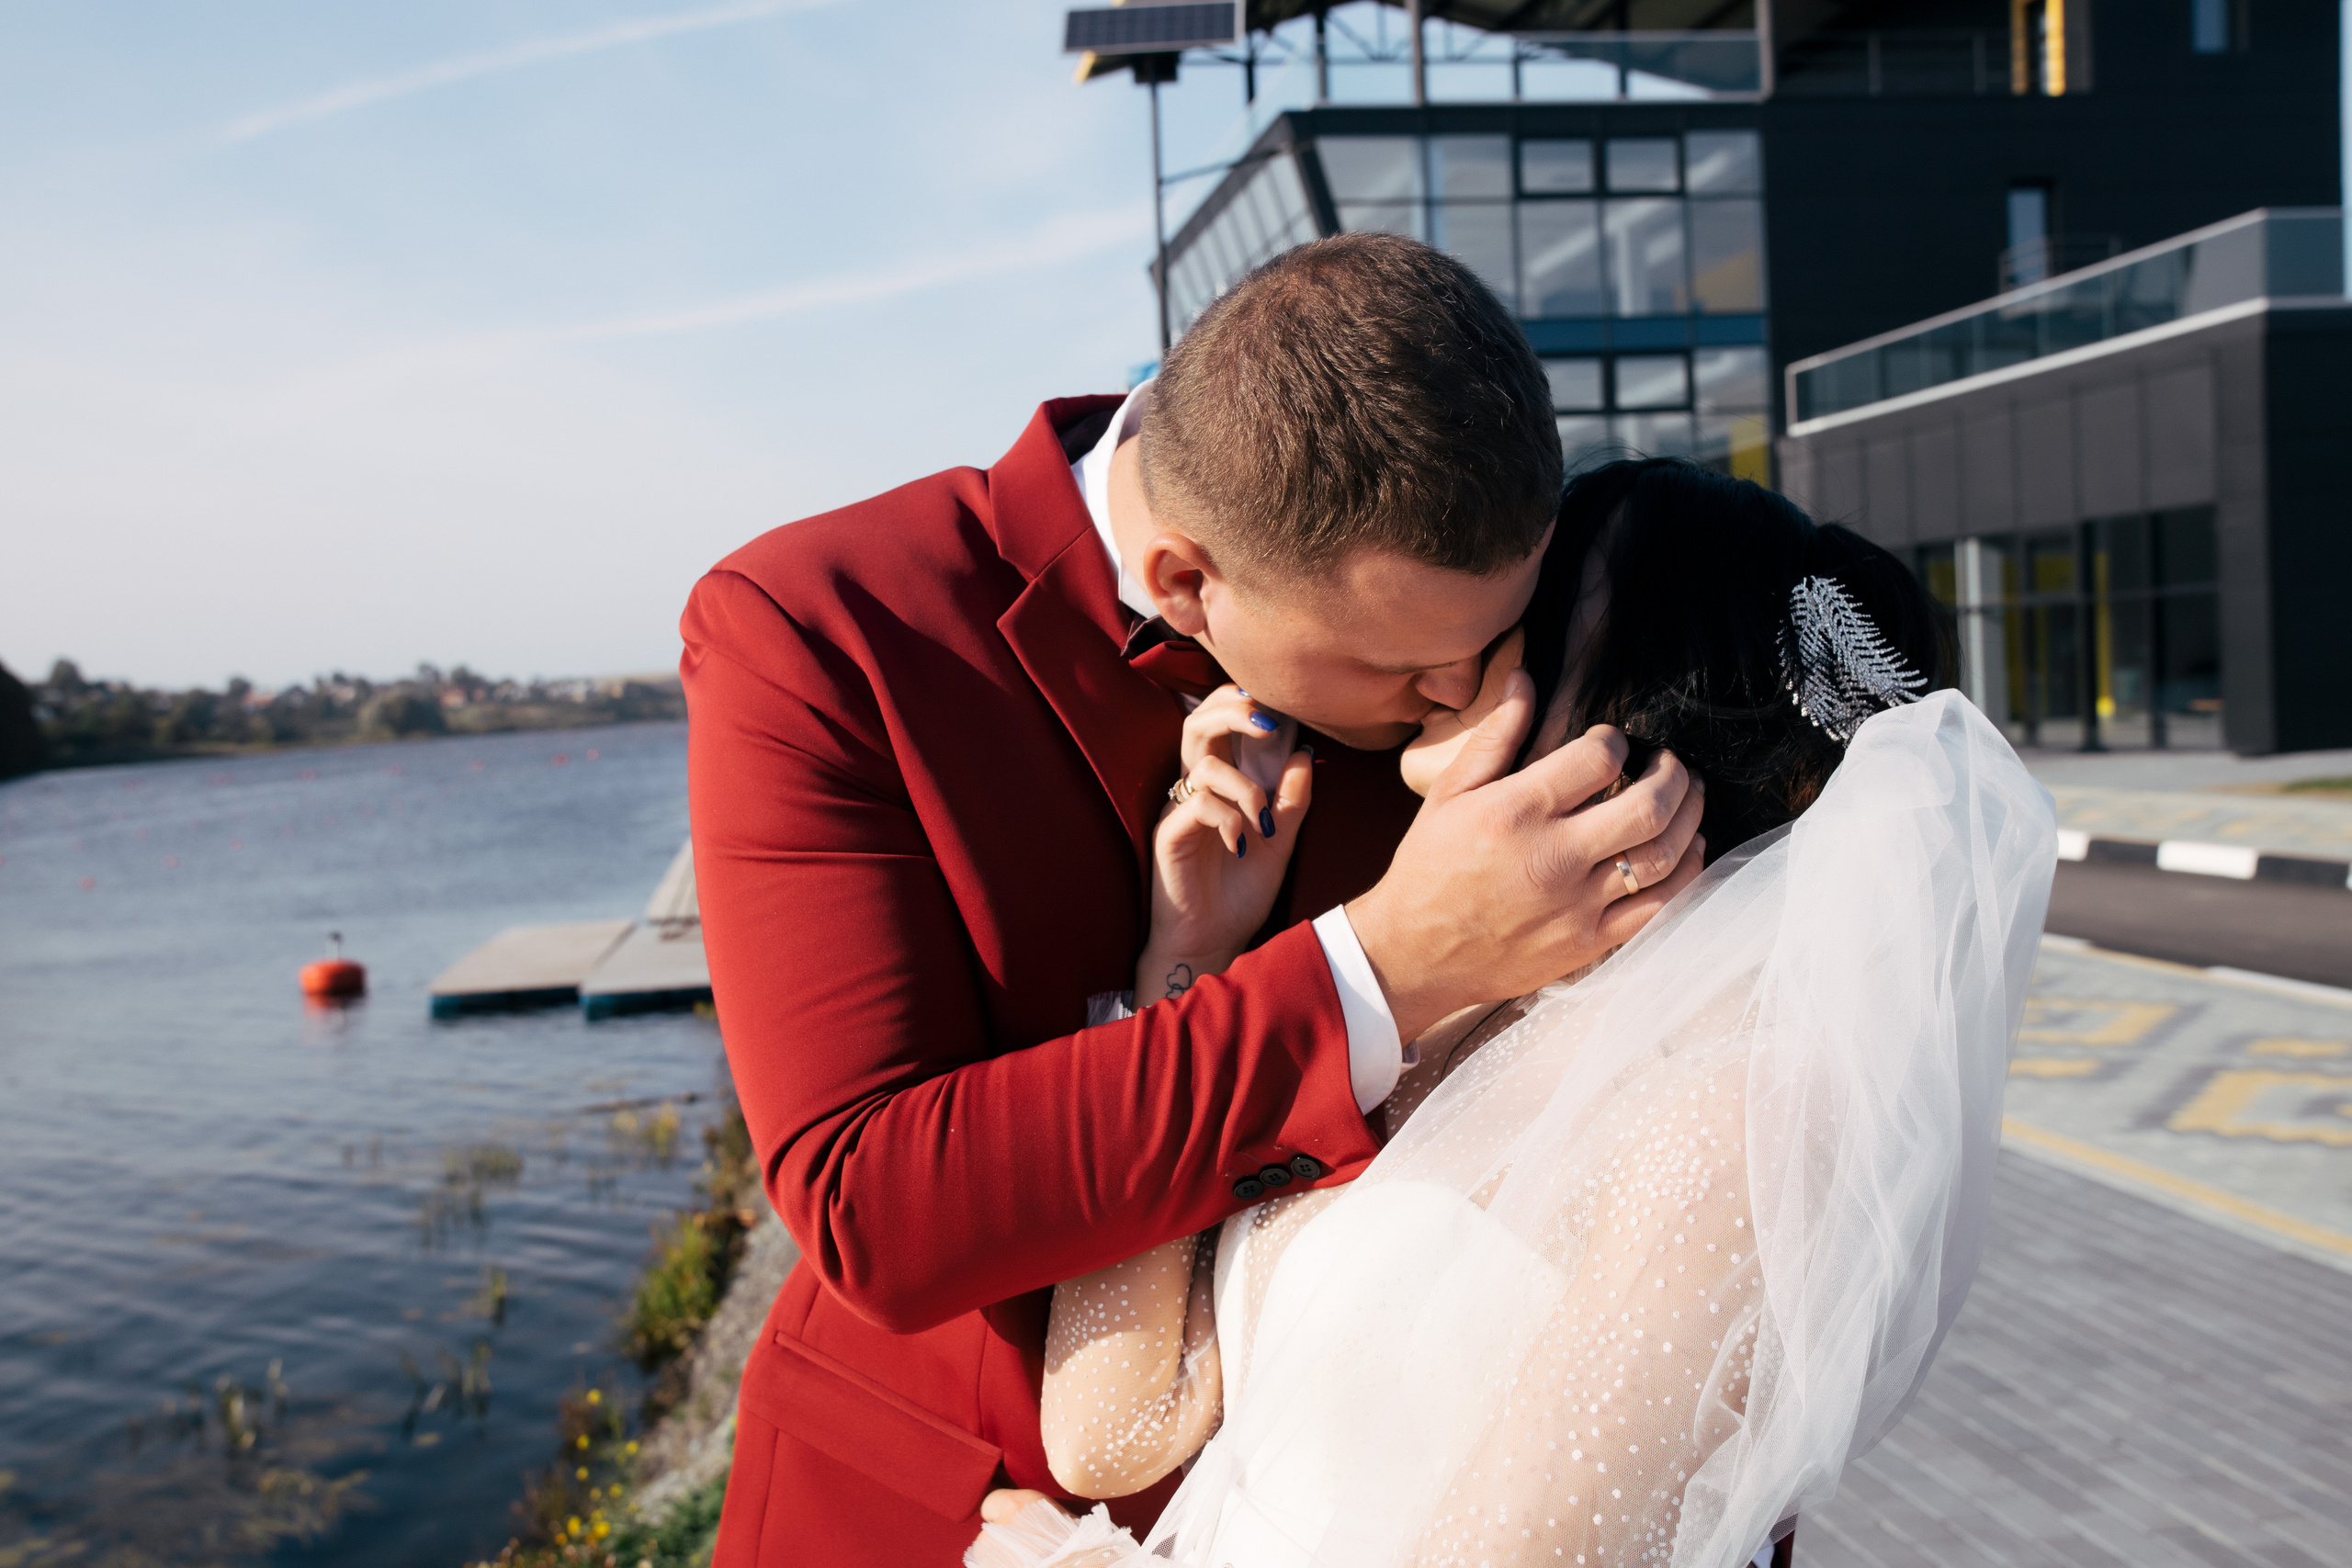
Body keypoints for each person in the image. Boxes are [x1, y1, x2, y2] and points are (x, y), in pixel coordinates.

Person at [679, 235, 1705, 1567]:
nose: (1462, 700)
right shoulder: (819, 629)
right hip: (950, 1511)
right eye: (1409, 667)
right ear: (1181, 582)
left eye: (1485, 650)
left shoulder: (1476, 624)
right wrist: (1382, 968)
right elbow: (874, 1201)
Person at [966, 459, 2057, 1568]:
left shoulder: (1744, 1112)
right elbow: (1109, 1430)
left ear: (1637, 693)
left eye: (1510, 624)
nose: (1445, 668)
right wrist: (1188, 956)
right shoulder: (1452, 1008)